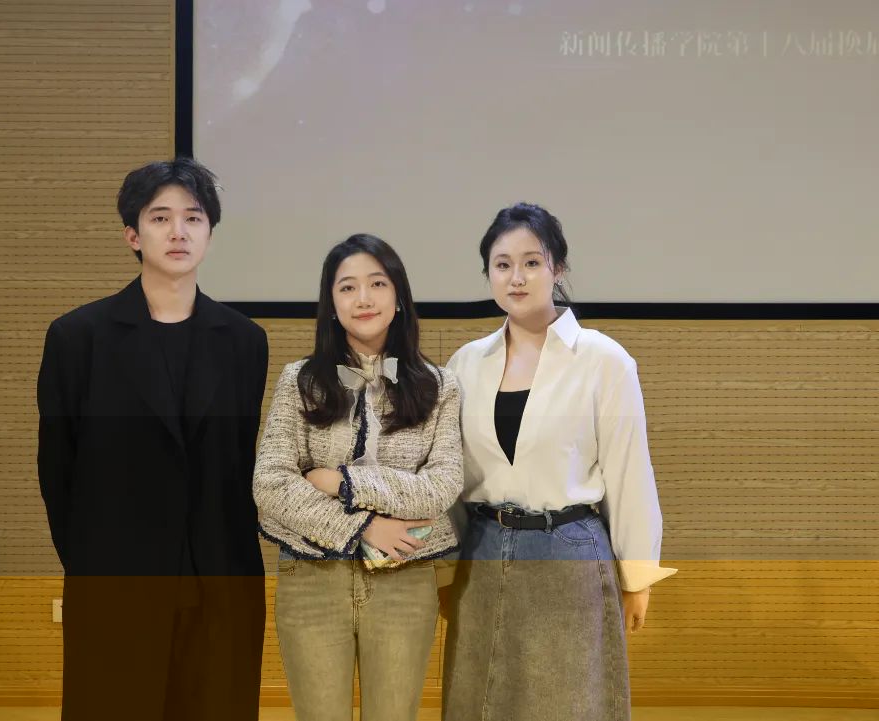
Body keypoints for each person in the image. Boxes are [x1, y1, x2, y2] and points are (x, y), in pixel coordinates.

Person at [37, 158, 269, 720]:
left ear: (210, 232)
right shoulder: (78, 337)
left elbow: (240, 463)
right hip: (116, 572)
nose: (178, 231)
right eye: (160, 217)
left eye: (193, 217)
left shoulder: (244, 341)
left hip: (220, 573)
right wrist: (94, 561)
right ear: (132, 235)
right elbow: (57, 468)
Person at [442, 203, 676, 721]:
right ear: (488, 273)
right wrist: (443, 568)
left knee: (569, 704)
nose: (516, 277)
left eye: (532, 262)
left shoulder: (604, 360)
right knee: (478, 703)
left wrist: (637, 576)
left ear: (558, 268)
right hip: (480, 555)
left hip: (567, 554)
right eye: (502, 264)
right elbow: (449, 480)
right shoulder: (464, 364)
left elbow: (630, 473)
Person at [253, 234, 463, 721]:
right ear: (331, 304)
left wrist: (341, 482)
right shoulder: (300, 380)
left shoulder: (441, 386)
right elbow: (271, 482)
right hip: (311, 577)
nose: (363, 298)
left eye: (377, 284)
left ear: (399, 297)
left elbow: (441, 486)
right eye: (347, 287)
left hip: (404, 579)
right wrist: (365, 527)